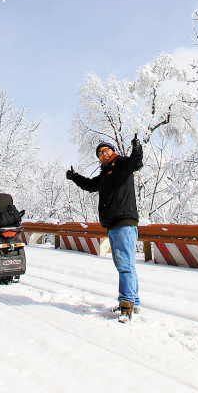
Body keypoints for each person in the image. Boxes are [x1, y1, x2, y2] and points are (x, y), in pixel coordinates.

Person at [66, 135, 143, 322]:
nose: (104, 154)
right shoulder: (105, 175)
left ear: (112, 151)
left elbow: (137, 162)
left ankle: (126, 306)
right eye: (100, 153)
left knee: (125, 265)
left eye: (106, 150)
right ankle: (134, 301)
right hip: (113, 224)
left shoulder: (123, 165)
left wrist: (137, 148)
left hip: (125, 222)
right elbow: (90, 185)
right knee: (124, 265)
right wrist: (74, 177)